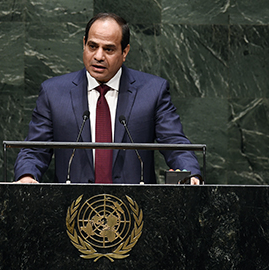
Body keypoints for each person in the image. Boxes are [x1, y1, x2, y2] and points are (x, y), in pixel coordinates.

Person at [14, 12, 201, 185]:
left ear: (125, 52)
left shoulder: (152, 91)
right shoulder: (53, 92)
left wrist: (190, 174)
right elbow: (34, 149)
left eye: (109, 49)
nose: (98, 56)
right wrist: (26, 176)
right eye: (92, 46)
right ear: (84, 44)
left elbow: (175, 144)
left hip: (135, 212)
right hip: (73, 211)